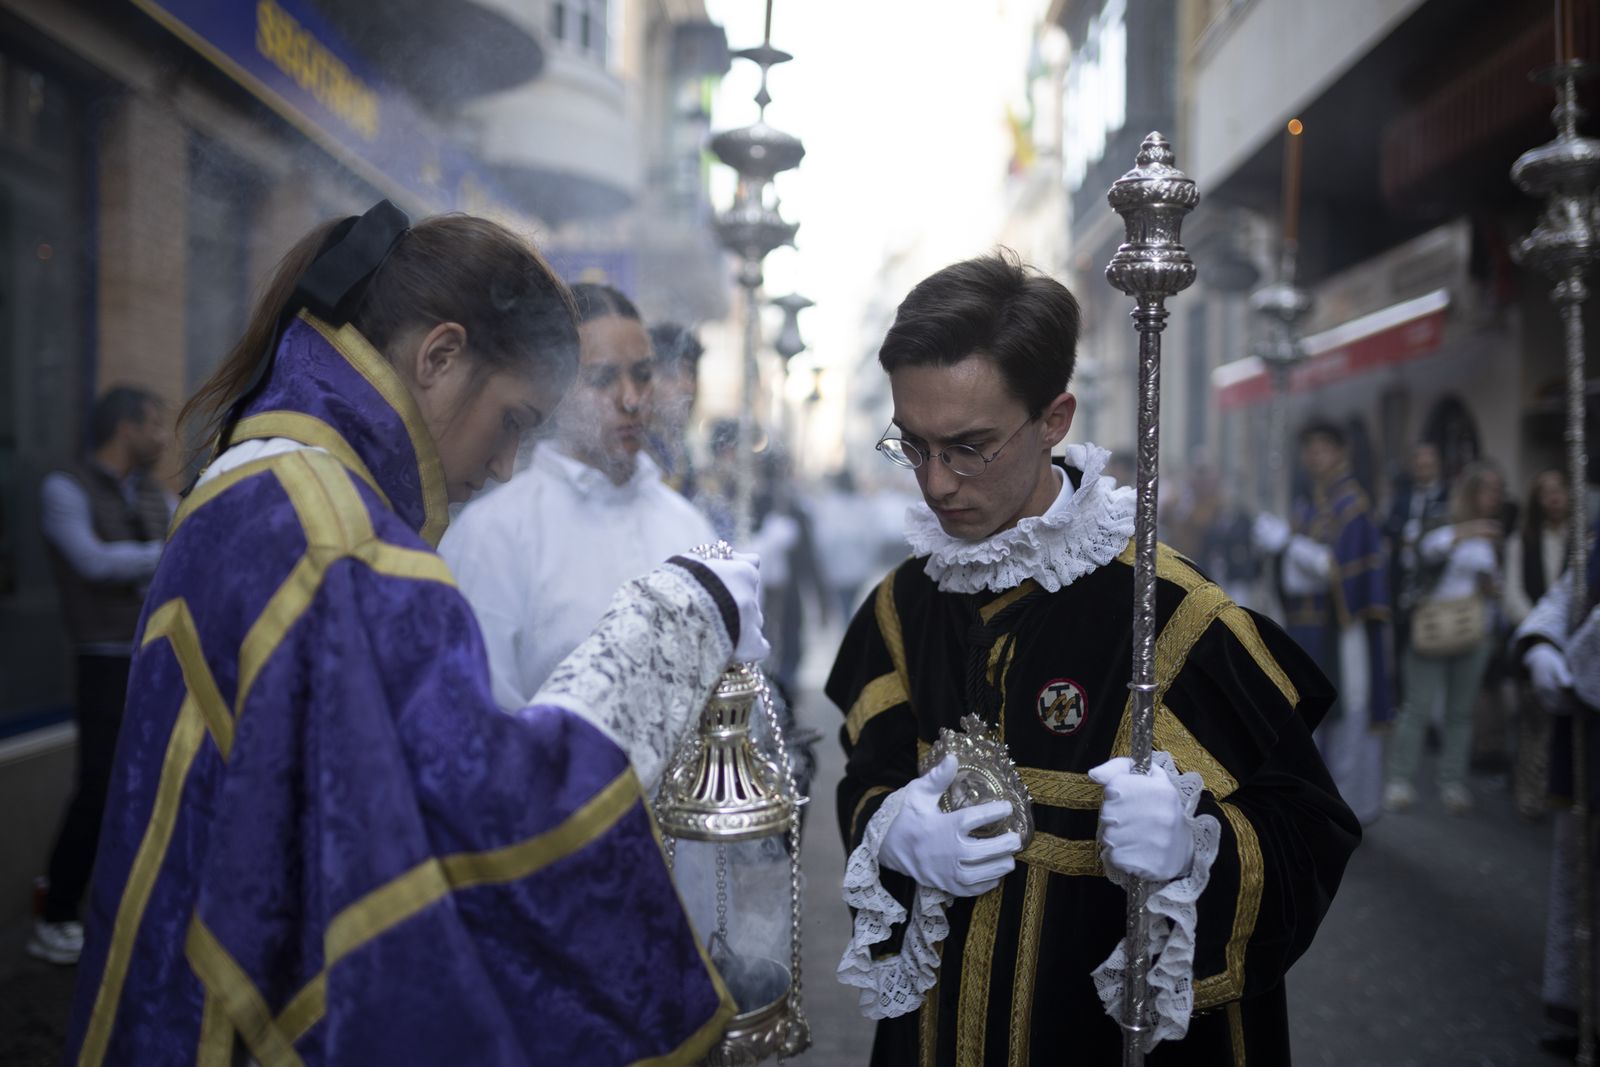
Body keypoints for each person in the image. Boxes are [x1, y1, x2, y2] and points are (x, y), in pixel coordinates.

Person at [65, 205, 766, 1065]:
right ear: (438, 356)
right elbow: (488, 814)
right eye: (514, 419)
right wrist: (674, 624)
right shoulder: (339, 541)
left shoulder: (261, 481)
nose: (507, 465)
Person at [828, 253, 1359, 1064]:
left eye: (969, 447)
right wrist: (891, 830)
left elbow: (1310, 829)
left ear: (1054, 418)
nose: (936, 483)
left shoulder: (1169, 612)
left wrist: (1196, 848)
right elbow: (867, 774)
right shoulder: (903, 606)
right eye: (914, 446)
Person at [440, 283, 728, 785]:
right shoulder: (495, 535)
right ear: (554, 387)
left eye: (643, 375)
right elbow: (480, 723)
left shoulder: (687, 525)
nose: (633, 400)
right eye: (602, 379)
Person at [32, 387, 172, 965]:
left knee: (147, 787)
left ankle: (117, 908)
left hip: (152, 657)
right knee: (98, 786)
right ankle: (56, 913)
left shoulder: (150, 493)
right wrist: (173, 549)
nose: (164, 439)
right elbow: (90, 560)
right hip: (103, 658)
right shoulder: (64, 488)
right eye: (157, 426)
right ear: (127, 429)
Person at [1255, 420, 1393, 826]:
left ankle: (1350, 806)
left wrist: (1287, 545)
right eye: (1308, 449)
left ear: (1340, 453)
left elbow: (1337, 570)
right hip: (1306, 629)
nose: (1313, 457)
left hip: (1341, 629)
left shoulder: (1353, 505)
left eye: (1322, 449)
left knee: (1348, 710)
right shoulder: (1308, 503)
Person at [1515, 518, 1599, 1058]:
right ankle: (1577, 1008)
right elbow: (1568, 594)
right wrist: (1543, 644)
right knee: (1579, 873)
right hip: (1589, 736)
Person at [1383, 461, 1505, 814]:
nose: (1494, 497)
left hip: (1475, 629)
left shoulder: (1499, 532)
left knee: (1460, 712)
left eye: (1498, 491)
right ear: (1472, 492)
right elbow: (1426, 550)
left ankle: (1452, 782)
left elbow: (1495, 585)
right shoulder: (1444, 518)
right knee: (1416, 707)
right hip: (1434, 624)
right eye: (1488, 489)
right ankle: (1400, 780)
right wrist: (1470, 530)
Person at [1505, 470, 1572, 817]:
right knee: (1534, 725)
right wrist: (1540, 632)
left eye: (1559, 489)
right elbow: (1513, 594)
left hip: (1575, 645)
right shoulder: (1523, 541)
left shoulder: (1581, 540)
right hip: (1537, 641)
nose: (1554, 497)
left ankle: (1559, 793)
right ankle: (1530, 794)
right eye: (1546, 492)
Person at [1384, 440, 1451, 700]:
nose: (1423, 467)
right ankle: (1403, 700)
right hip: (1403, 585)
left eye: (1428, 463)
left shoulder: (1448, 496)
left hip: (1436, 588)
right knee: (1403, 645)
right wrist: (1403, 535)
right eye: (1419, 463)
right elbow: (1388, 527)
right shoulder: (1402, 499)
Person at [646, 321, 704, 498]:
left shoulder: (681, 449)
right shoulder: (634, 448)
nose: (687, 387)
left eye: (691, 374)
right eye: (670, 376)